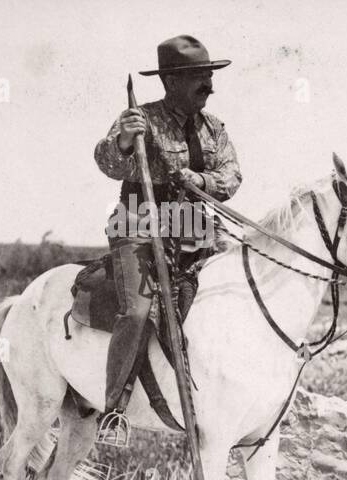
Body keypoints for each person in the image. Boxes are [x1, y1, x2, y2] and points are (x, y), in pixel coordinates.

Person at [93, 35, 241, 445]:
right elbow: (107, 163)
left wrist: (202, 180)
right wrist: (123, 140)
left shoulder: (215, 128)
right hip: (139, 226)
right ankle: (114, 411)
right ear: (172, 81)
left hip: (196, 227)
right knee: (138, 312)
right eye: (199, 77)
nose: (209, 85)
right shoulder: (138, 119)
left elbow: (232, 177)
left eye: (209, 76)